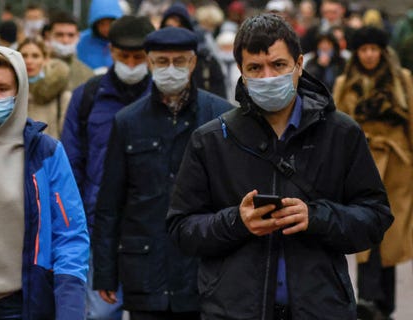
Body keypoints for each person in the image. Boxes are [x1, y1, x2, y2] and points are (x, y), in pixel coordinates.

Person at [166, 14, 393, 319]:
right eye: (255, 68)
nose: (268, 77)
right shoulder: (211, 140)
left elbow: (375, 217)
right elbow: (182, 228)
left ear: (299, 64)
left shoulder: (341, 133)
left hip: (320, 307)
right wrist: (236, 221)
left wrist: (317, 217)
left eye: (278, 65)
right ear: (241, 72)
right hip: (235, 309)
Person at [92, 26, 232, 320]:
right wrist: (105, 273)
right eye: (162, 61)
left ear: (193, 63)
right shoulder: (128, 121)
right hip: (145, 270)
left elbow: (232, 196)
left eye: (179, 61)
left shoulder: (220, 117)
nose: (171, 69)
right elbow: (109, 204)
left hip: (202, 271)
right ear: (149, 62)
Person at [0, 45, 89, 319]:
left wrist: (70, 308)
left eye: (2, 88)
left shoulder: (45, 152)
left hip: (20, 305)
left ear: (20, 91)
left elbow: (70, 236)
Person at [62, 15, 155, 320]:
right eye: (123, 55)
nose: (130, 63)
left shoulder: (163, 97)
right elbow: (72, 163)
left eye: (138, 57)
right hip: (98, 227)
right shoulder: (87, 97)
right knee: (100, 312)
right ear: (110, 51)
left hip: (150, 227)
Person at [332, 26, 413, 320]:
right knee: (364, 231)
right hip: (361, 163)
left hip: (396, 165)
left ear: (382, 51)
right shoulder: (344, 83)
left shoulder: (402, 80)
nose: (368, 55)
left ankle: (385, 304)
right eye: (363, 49)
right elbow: (336, 127)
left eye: (373, 49)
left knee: (390, 238)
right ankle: (367, 301)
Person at [160, 2, 227, 98]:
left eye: (180, 27)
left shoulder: (206, 61)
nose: (174, 33)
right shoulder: (155, 62)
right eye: (169, 28)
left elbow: (221, 104)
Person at [18, 37, 71, 138]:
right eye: (24, 56)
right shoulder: (10, 93)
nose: (29, 61)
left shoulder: (62, 96)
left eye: (35, 56)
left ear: (46, 59)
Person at [47, 11, 95, 91]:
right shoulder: (37, 69)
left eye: (71, 35)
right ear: (49, 36)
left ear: (78, 36)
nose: (65, 40)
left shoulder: (87, 74)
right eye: (59, 35)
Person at [76, 0, 124, 74]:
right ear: (95, 24)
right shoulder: (81, 41)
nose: (106, 28)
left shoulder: (126, 41)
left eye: (110, 23)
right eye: (102, 24)